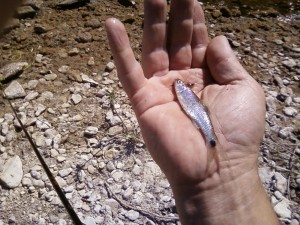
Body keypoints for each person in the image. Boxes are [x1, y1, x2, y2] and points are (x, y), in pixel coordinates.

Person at [105, 0, 280, 224]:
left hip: (201, 119)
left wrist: (227, 175)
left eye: (178, 86)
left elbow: (187, 99)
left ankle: (212, 146)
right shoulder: (181, 88)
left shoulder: (181, 89)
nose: (178, 86)